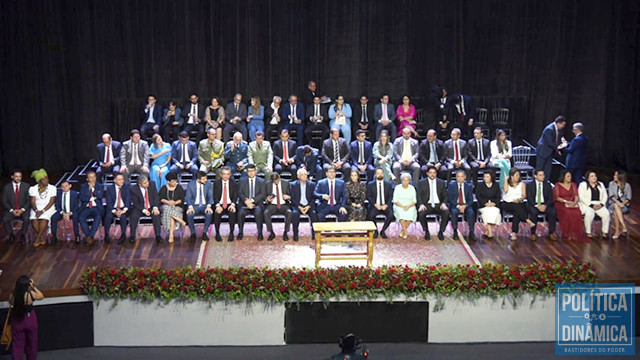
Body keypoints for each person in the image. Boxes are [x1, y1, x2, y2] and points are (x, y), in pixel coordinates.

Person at [9, 276, 44, 360]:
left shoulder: (13, 296)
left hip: (17, 320)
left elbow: (11, 302)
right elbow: (41, 296)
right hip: (30, 319)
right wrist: (33, 286)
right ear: (27, 285)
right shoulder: (30, 295)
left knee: (17, 344)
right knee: (32, 343)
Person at [417, 166, 450, 241]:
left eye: (434, 173)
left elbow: (445, 195)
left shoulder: (441, 182)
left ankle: (441, 231)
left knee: (447, 212)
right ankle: (426, 231)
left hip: (439, 204)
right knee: (421, 213)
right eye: (430, 173)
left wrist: (444, 203)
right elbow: (418, 195)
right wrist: (421, 204)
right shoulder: (422, 182)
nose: (432, 174)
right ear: (427, 173)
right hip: (427, 205)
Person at [553, 169, 588, 241]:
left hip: (572, 203)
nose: (570, 178)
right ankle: (567, 233)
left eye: (570, 176)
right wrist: (566, 202)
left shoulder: (573, 185)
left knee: (577, 212)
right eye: (568, 176)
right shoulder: (558, 185)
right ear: (564, 177)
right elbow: (557, 197)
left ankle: (575, 234)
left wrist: (574, 203)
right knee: (567, 212)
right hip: (561, 203)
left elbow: (576, 195)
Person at [502, 168, 535, 241]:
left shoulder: (522, 184)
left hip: (519, 203)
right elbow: (505, 190)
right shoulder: (507, 182)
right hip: (507, 203)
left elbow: (524, 196)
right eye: (516, 175)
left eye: (519, 175)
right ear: (511, 176)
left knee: (517, 212)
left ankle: (514, 233)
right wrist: (505, 180)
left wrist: (518, 199)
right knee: (516, 207)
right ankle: (527, 220)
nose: (518, 177)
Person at [129, 175, 163, 244]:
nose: (147, 183)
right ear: (140, 184)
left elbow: (156, 196)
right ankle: (132, 236)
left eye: (147, 181)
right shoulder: (133, 189)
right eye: (145, 183)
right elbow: (136, 203)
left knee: (156, 215)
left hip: (151, 207)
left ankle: (158, 236)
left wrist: (155, 207)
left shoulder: (152, 184)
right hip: (140, 208)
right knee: (133, 216)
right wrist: (144, 210)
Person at [526, 169, 558, 241]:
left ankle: (551, 233)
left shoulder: (547, 185)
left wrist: (545, 205)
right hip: (534, 204)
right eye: (540, 175)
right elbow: (529, 198)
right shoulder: (530, 185)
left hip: (545, 204)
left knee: (553, 212)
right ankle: (533, 233)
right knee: (533, 212)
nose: (543, 176)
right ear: (535, 176)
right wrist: (537, 205)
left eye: (543, 175)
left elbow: (550, 198)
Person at [237, 164, 266, 241]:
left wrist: (252, 201)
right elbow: (240, 193)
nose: (251, 173)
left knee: (258, 212)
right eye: (249, 171)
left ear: (256, 171)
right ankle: (240, 232)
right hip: (244, 203)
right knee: (240, 213)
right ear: (246, 172)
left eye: (252, 171)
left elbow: (262, 194)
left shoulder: (261, 181)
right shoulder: (242, 180)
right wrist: (246, 201)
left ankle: (260, 233)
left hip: (257, 203)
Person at [28, 169, 56, 247]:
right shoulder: (33, 189)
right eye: (44, 179)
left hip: (48, 207)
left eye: (47, 178)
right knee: (34, 218)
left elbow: (52, 201)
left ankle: (37, 238)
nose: (47, 180)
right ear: (39, 181)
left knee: (44, 218)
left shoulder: (52, 188)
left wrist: (43, 210)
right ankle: (41, 237)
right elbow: (33, 201)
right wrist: (36, 210)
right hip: (36, 207)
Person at [578, 171, 610, 238]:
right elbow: (581, 197)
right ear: (588, 178)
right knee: (590, 213)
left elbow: (605, 196)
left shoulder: (601, 184)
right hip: (587, 204)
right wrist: (591, 205)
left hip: (599, 204)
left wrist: (601, 204)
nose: (594, 177)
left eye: (595, 176)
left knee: (606, 214)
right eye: (592, 176)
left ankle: (605, 232)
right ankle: (588, 232)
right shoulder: (583, 185)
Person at [2, 169, 31, 244]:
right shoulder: (7, 187)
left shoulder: (26, 186)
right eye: (16, 176)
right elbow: (4, 201)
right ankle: (11, 235)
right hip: (12, 210)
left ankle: (23, 235)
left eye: (20, 176)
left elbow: (29, 200)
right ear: (12, 177)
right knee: (5, 219)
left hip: (23, 210)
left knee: (26, 218)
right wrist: (12, 210)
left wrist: (22, 210)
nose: (18, 178)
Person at [447, 170, 476, 241]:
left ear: (465, 177)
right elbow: (450, 199)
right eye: (458, 177)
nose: (460, 178)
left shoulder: (469, 186)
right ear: (456, 177)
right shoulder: (451, 185)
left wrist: (465, 206)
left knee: (471, 212)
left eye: (462, 176)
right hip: (455, 205)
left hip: (466, 205)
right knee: (454, 212)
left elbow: (471, 200)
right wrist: (458, 206)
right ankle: (455, 231)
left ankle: (471, 232)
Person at [185, 171, 214, 242]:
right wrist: (190, 207)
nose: (205, 180)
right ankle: (192, 233)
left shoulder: (209, 184)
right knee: (189, 214)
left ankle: (204, 233)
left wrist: (209, 206)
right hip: (195, 206)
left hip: (205, 205)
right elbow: (188, 197)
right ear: (198, 180)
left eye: (206, 178)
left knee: (209, 213)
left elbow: (211, 197)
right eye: (203, 179)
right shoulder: (191, 184)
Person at [290, 168, 318, 242]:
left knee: (314, 214)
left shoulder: (312, 184)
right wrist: (299, 207)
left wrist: (308, 206)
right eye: (302, 175)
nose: (304, 176)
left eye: (305, 174)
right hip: (298, 205)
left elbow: (314, 198)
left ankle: (314, 233)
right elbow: (292, 199)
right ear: (298, 176)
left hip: (309, 205)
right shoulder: (293, 185)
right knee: (295, 214)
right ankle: (295, 234)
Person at [102, 173, 131, 245]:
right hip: (113, 208)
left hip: (124, 208)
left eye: (122, 179)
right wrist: (115, 211)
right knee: (108, 216)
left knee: (123, 217)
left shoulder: (127, 186)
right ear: (114, 180)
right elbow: (109, 202)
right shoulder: (110, 189)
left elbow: (128, 200)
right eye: (119, 180)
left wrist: (123, 210)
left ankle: (123, 235)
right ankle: (106, 234)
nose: (122, 181)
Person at [536, 115, 566, 182]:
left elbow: (557, 139)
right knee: (539, 169)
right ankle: (535, 185)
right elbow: (550, 142)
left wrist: (561, 142)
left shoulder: (557, 130)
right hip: (543, 152)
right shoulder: (549, 129)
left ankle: (545, 185)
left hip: (549, 153)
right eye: (563, 125)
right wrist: (559, 147)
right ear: (559, 123)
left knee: (547, 170)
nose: (563, 126)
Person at [263, 173, 293, 241]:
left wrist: (288, 197)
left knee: (289, 212)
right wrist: (267, 199)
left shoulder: (286, 183)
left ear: (279, 178)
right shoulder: (267, 184)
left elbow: (292, 194)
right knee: (266, 213)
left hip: (283, 204)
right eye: (274, 181)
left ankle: (285, 232)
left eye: (276, 180)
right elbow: (264, 196)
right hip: (272, 204)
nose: (275, 182)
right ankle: (271, 232)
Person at [78, 171, 104, 246]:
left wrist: (93, 189)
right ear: (87, 179)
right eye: (90, 177)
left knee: (98, 217)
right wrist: (91, 199)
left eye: (94, 177)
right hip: (86, 207)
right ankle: (89, 237)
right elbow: (82, 197)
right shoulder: (83, 186)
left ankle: (90, 237)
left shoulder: (100, 186)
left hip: (96, 207)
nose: (92, 179)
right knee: (81, 217)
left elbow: (100, 196)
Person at [366, 168, 394, 238]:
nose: (380, 175)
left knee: (391, 216)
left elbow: (391, 196)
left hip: (385, 205)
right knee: (370, 216)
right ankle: (375, 231)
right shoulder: (370, 184)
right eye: (378, 173)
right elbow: (368, 196)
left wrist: (386, 205)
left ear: (383, 174)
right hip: (375, 205)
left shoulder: (388, 184)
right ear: (375, 175)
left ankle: (383, 231)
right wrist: (375, 204)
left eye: (381, 173)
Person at [50, 180, 80, 244]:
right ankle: (54, 236)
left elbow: (77, 206)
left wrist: (70, 213)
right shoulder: (59, 194)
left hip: (72, 212)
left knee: (76, 217)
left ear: (70, 186)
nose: (64, 188)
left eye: (66, 186)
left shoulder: (74, 194)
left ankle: (77, 235)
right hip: (62, 212)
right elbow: (57, 205)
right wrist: (62, 213)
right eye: (62, 186)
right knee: (53, 217)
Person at [213, 167, 238, 242]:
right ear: (221, 174)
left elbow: (235, 195)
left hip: (230, 204)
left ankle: (231, 233)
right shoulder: (216, 183)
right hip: (220, 204)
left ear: (230, 175)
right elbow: (215, 196)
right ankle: (217, 233)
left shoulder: (233, 183)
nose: (226, 176)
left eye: (228, 174)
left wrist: (233, 204)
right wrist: (217, 205)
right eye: (224, 174)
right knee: (217, 213)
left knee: (232, 212)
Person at [159, 172, 186, 244]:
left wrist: (174, 203)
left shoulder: (179, 187)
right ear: (168, 181)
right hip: (165, 206)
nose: (175, 183)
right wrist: (168, 202)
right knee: (167, 209)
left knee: (170, 213)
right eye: (173, 181)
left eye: (175, 181)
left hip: (177, 206)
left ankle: (171, 233)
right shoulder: (164, 188)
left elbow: (182, 199)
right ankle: (178, 219)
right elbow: (161, 199)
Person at [475, 169, 501, 239]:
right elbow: (478, 196)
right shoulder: (480, 185)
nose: (485, 178)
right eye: (484, 177)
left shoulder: (496, 185)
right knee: (487, 212)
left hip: (493, 205)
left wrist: (494, 203)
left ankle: (488, 231)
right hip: (484, 205)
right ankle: (490, 232)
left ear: (491, 177)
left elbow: (498, 196)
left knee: (496, 213)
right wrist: (485, 203)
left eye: (487, 177)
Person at [393, 173, 418, 239]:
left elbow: (414, 201)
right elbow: (395, 200)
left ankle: (403, 231)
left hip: (410, 205)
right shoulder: (397, 187)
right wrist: (403, 206)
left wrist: (408, 206)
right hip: (399, 205)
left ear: (409, 181)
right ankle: (405, 232)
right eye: (404, 180)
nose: (405, 182)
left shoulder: (412, 188)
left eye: (407, 180)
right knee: (402, 216)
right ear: (401, 180)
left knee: (410, 214)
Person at [608, 170, 632, 239]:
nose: (614, 176)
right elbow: (611, 196)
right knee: (616, 206)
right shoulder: (611, 184)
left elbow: (628, 198)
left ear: (620, 176)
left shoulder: (627, 185)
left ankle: (617, 231)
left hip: (624, 206)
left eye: (616, 175)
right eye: (614, 175)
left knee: (616, 212)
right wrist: (618, 203)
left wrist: (622, 204)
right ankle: (623, 226)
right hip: (613, 205)